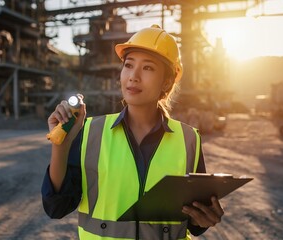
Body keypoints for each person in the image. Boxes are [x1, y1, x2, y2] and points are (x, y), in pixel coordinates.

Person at [41, 25, 224, 240]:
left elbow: (195, 221)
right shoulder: (91, 133)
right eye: (128, 65)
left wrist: (204, 218)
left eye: (147, 68)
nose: (133, 76)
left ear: (167, 81)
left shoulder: (189, 139)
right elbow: (56, 207)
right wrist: (61, 145)